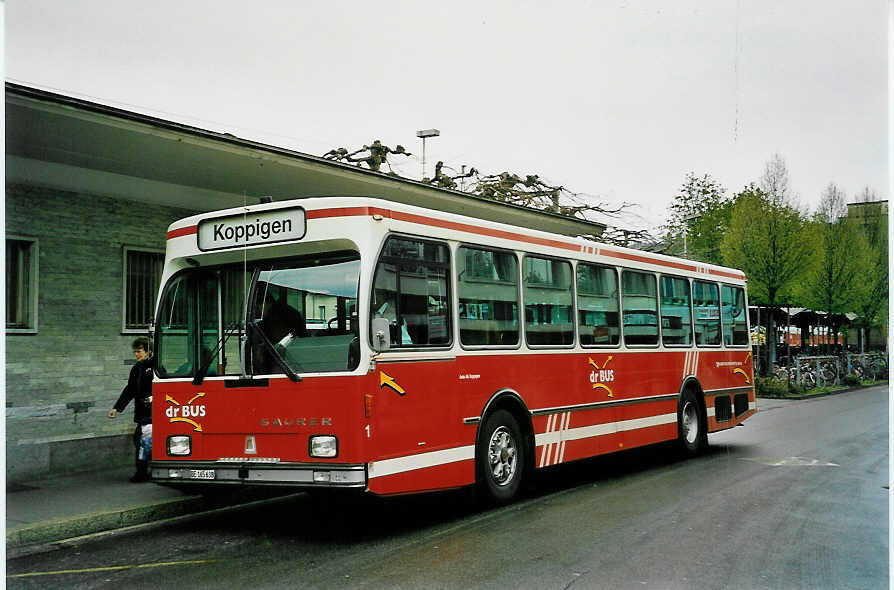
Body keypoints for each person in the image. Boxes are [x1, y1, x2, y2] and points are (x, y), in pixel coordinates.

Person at [109, 337, 155, 482]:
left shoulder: (156, 367)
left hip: (152, 412)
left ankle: (143, 473)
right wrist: (117, 408)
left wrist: (152, 399)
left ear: (148, 351)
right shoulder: (136, 369)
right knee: (143, 441)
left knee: (142, 441)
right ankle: (147, 471)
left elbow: (163, 388)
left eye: (139, 351)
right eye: (135, 352)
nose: (136, 354)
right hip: (142, 412)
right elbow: (130, 390)